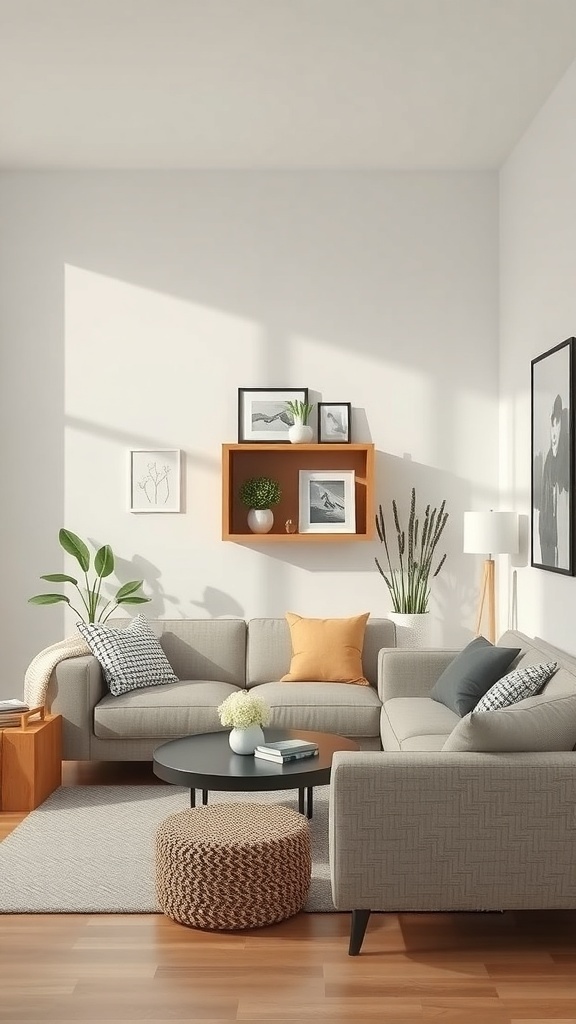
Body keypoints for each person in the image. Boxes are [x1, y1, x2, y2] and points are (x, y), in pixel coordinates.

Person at [538, 393, 569, 567]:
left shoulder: (565, 467)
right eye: (552, 422)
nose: (554, 430)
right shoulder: (548, 464)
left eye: (558, 422)